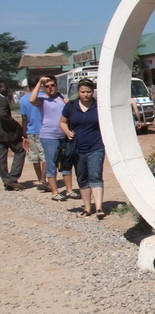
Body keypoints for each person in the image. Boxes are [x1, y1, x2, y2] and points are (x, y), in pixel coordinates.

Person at [59, 79, 106, 218]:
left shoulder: (99, 106)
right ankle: (87, 207)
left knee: (96, 174)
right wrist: (67, 131)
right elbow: (62, 122)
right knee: (82, 177)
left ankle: (99, 208)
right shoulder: (71, 106)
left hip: (96, 146)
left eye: (88, 92)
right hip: (77, 148)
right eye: (83, 92)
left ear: (93, 92)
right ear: (78, 92)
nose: (86, 94)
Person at [29, 76, 76, 201]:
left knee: (66, 162)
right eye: (47, 86)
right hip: (49, 136)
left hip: (64, 135)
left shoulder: (62, 97)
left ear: (56, 85)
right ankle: (54, 192)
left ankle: (69, 190)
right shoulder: (43, 99)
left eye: (52, 85)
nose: (50, 88)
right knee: (52, 163)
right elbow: (32, 99)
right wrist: (40, 82)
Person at [18, 77, 47, 189]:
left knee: (35, 157)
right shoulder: (44, 97)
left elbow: (24, 118)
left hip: (30, 131)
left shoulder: (23, 99)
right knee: (44, 156)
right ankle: (43, 180)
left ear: (28, 86)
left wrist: (24, 134)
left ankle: (39, 178)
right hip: (43, 130)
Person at [0, 81, 25, 192]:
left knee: (1, 157)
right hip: (7, 133)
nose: (6, 89)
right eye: (4, 87)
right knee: (20, 150)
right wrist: (15, 125)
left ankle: (7, 180)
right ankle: (12, 178)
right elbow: (3, 115)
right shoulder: (3, 100)